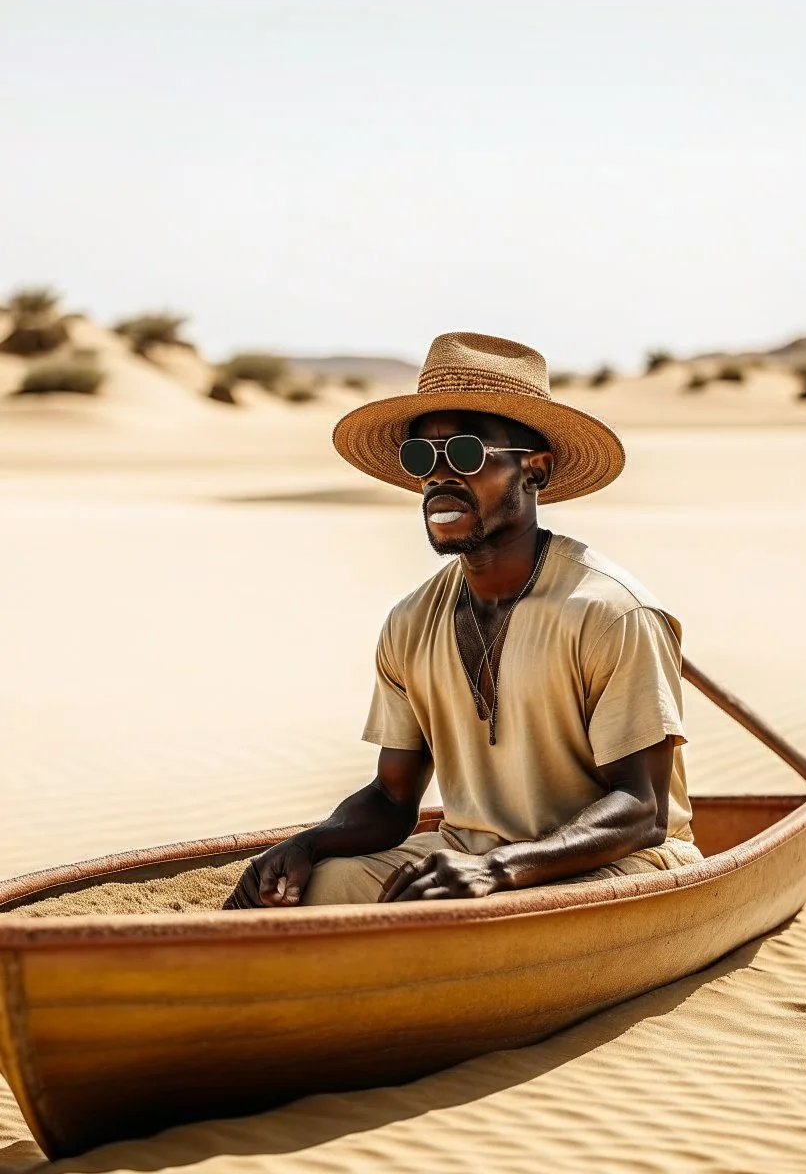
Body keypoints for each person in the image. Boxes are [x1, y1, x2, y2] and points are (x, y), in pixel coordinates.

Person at [225, 331, 702, 910]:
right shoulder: (410, 621)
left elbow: (642, 811)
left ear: (536, 469)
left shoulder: (608, 613)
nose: (438, 478)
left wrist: (499, 870)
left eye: (467, 454)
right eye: (422, 458)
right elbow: (391, 797)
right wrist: (311, 842)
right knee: (306, 890)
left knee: (468, 917)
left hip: (617, 866)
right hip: (468, 857)